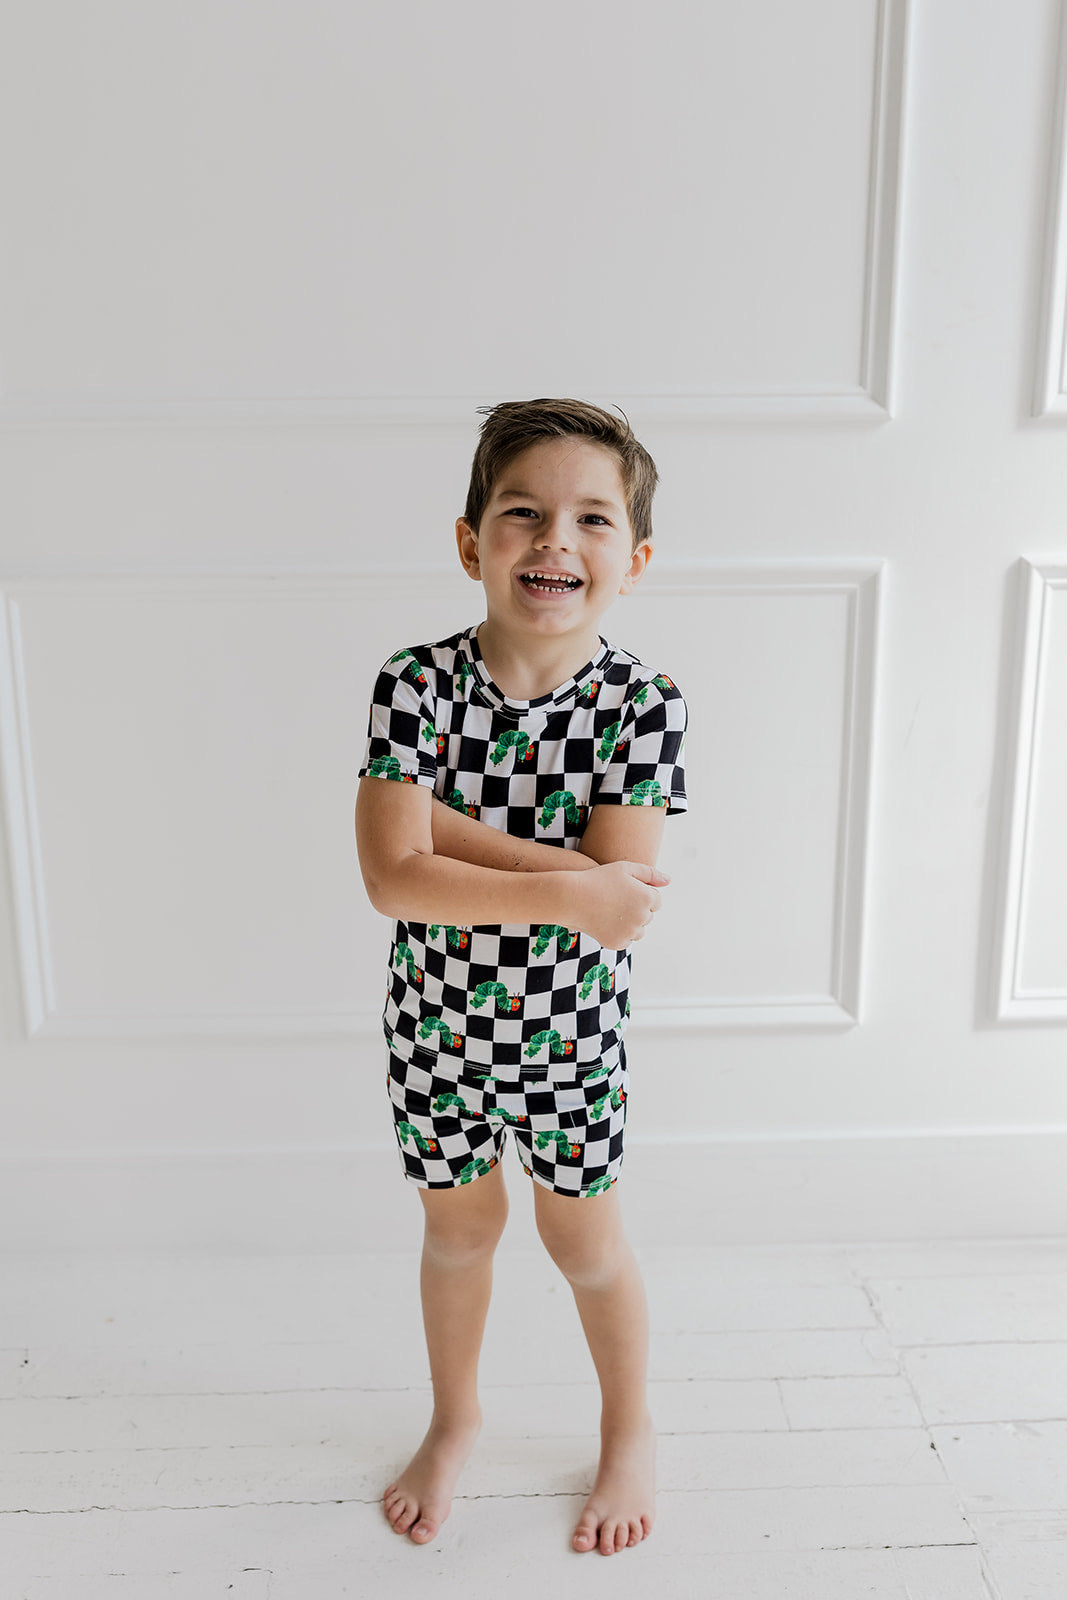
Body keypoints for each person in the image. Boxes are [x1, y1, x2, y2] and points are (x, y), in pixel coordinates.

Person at [354, 397, 688, 1557]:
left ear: (632, 560)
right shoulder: (414, 684)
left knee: (584, 1245)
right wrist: (564, 880)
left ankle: (628, 1425)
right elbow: (393, 879)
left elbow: (620, 899)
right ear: (470, 542)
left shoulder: (641, 705)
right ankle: (455, 1419)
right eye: (522, 512)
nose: (554, 539)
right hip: (434, 1033)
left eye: (592, 518)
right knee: (456, 1235)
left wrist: (446, 832)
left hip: (568, 1041)